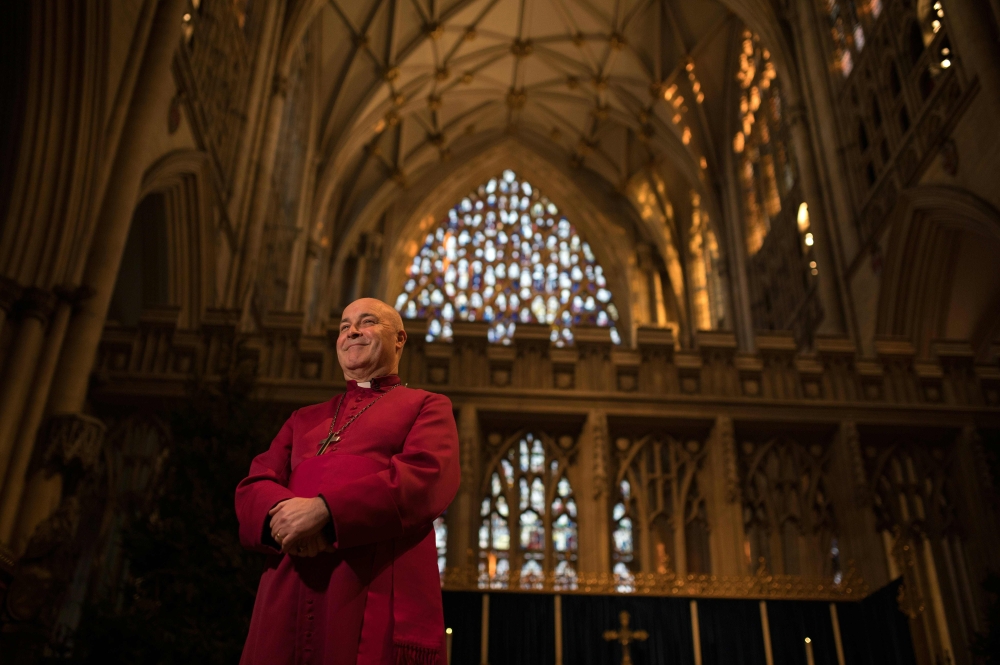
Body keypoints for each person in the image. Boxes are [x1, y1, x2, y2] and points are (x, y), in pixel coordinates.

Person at [235, 298, 460, 665]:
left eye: (367, 322)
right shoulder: (303, 419)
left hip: (367, 584)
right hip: (288, 581)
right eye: (344, 326)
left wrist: (325, 512)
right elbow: (254, 484)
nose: (352, 331)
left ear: (400, 339)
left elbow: (427, 476)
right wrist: (284, 519)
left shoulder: (426, 406)